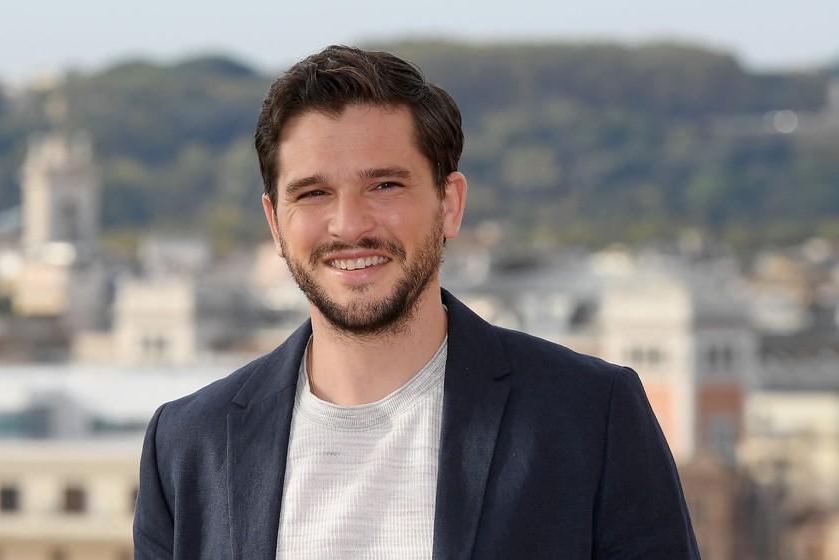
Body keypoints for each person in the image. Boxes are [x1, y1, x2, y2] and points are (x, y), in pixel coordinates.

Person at [133, 45, 700, 559]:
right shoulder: (186, 446)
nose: (349, 224)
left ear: (449, 204)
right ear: (274, 224)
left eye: (385, 185)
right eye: (313, 193)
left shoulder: (588, 416)